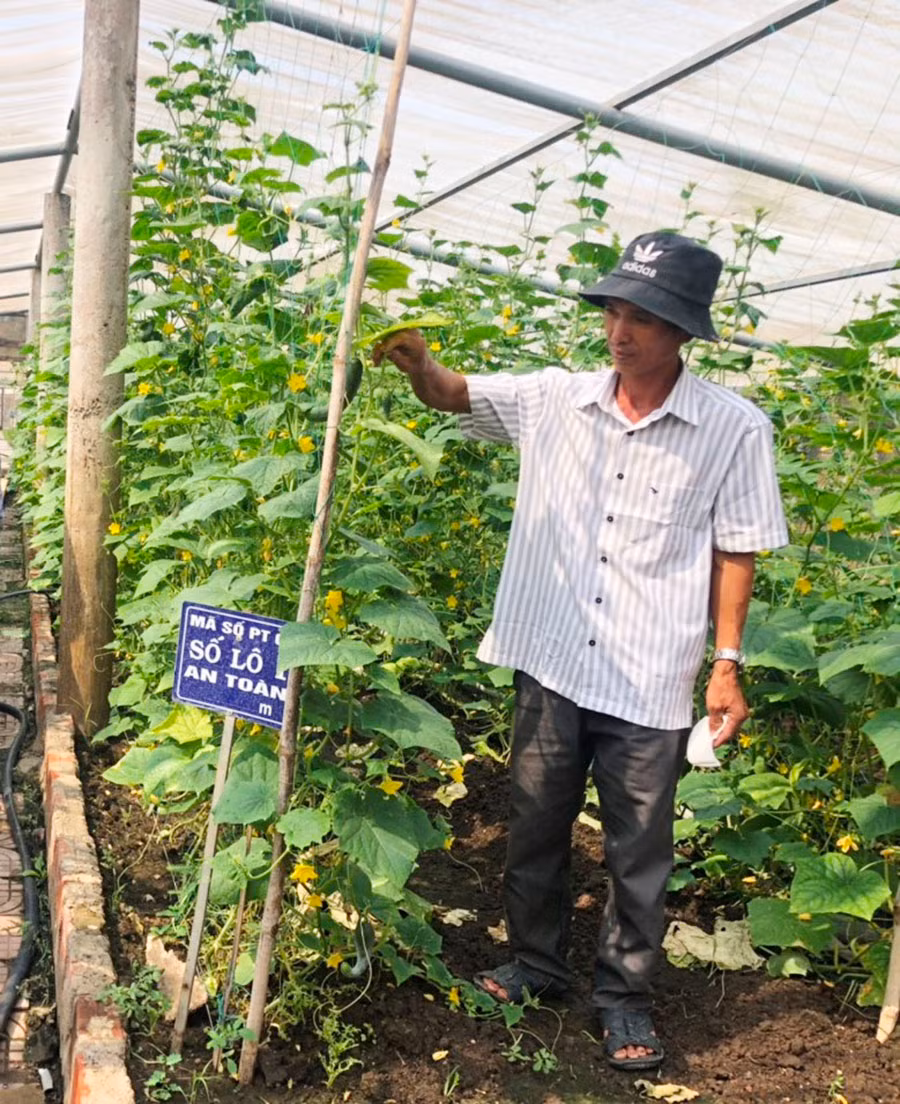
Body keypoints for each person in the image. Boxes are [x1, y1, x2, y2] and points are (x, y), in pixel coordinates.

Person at [374, 232, 788, 1072]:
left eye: (642, 318)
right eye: (613, 312)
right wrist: (418, 363)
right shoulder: (553, 399)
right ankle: (535, 963)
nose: (619, 331)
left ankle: (625, 998)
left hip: (649, 673)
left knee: (640, 849)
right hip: (554, 657)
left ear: (684, 332)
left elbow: (736, 548)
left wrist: (727, 661)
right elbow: (452, 395)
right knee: (535, 822)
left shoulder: (733, 429)